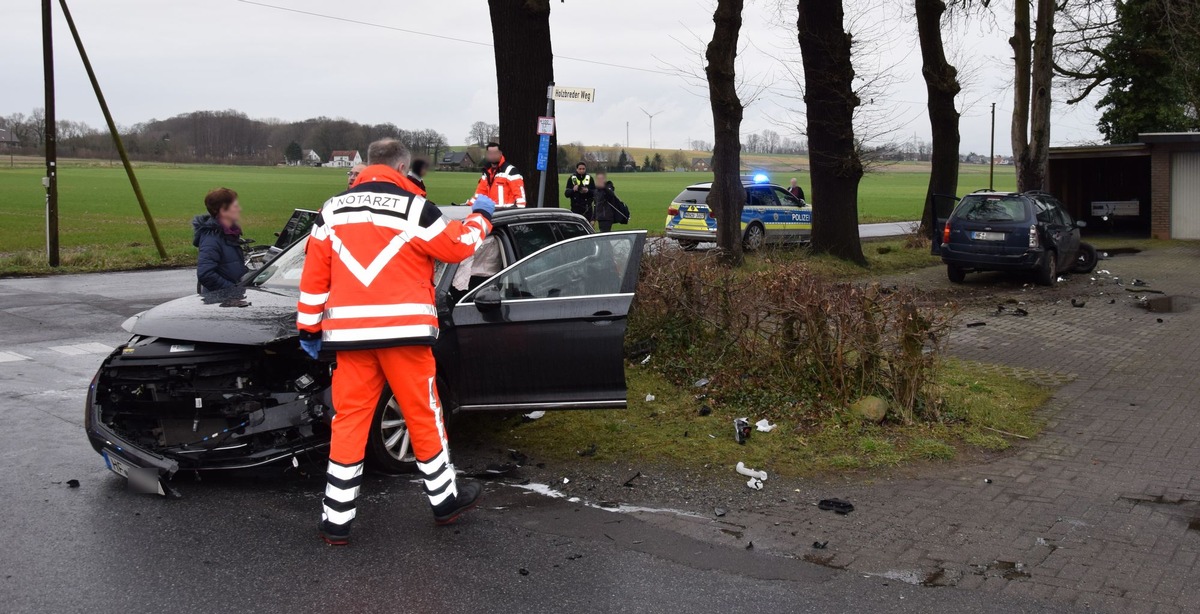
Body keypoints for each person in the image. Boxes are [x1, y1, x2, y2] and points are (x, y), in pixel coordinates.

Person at [296, 138, 496, 545]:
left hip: (350, 339)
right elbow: (457, 247)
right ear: (403, 168)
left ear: (369, 165)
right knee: (423, 413)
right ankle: (444, 501)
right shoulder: (415, 209)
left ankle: (336, 519)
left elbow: (314, 277)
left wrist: (309, 330)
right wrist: (482, 218)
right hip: (404, 335)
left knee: (349, 420)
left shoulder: (331, 211)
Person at [192, 187, 249, 292]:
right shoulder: (211, 239)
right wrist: (232, 290)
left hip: (231, 300)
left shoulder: (229, 234)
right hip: (221, 301)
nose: (239, 209)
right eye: (235, 206)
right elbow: (205, 274)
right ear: (222, 210)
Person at [468, 142, 526, 209]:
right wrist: (468, 206)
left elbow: (520, 195)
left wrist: (519, 212)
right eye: (490, 153)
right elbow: (479, 194)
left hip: (507, 213)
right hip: (491, 211)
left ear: (500, 153)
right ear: (487, 154)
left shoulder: (510, 171)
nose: (493, 156)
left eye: (495, 153)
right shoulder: (486, 173)